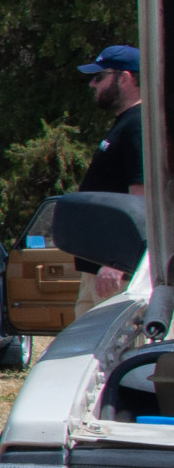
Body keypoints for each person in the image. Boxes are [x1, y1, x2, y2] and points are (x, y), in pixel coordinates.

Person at [73, 43, 146, 311]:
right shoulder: (124, 124)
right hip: (100, 269)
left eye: (99, 77)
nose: (93, 84)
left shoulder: (137, 125)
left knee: (113, 351)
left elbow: (142, 198)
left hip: (116, 274)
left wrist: (118, 260)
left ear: (125, 78)